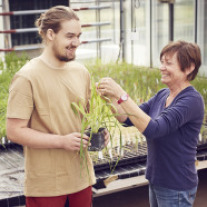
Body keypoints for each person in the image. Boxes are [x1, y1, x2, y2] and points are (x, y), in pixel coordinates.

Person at [6, 6, 109, 207]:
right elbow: (14, 131)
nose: (76, 43)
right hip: (46, 185)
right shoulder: (27, 76)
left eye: (78, 36)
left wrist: (100, 135)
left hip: (81, 179)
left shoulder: (81, 72)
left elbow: (87, 119)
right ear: (51, 34)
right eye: (70, 36)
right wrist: (61, 141)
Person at [97, 40, 204, 207]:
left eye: (168, 63)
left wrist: (121, 93)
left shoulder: (191, 101)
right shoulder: (163, 95)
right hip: (157, 179)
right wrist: (110, 98)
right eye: (162, 62)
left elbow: (154, 129)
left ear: (189, 67)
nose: (162, 67)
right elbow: (128, 118)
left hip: (176, 184)